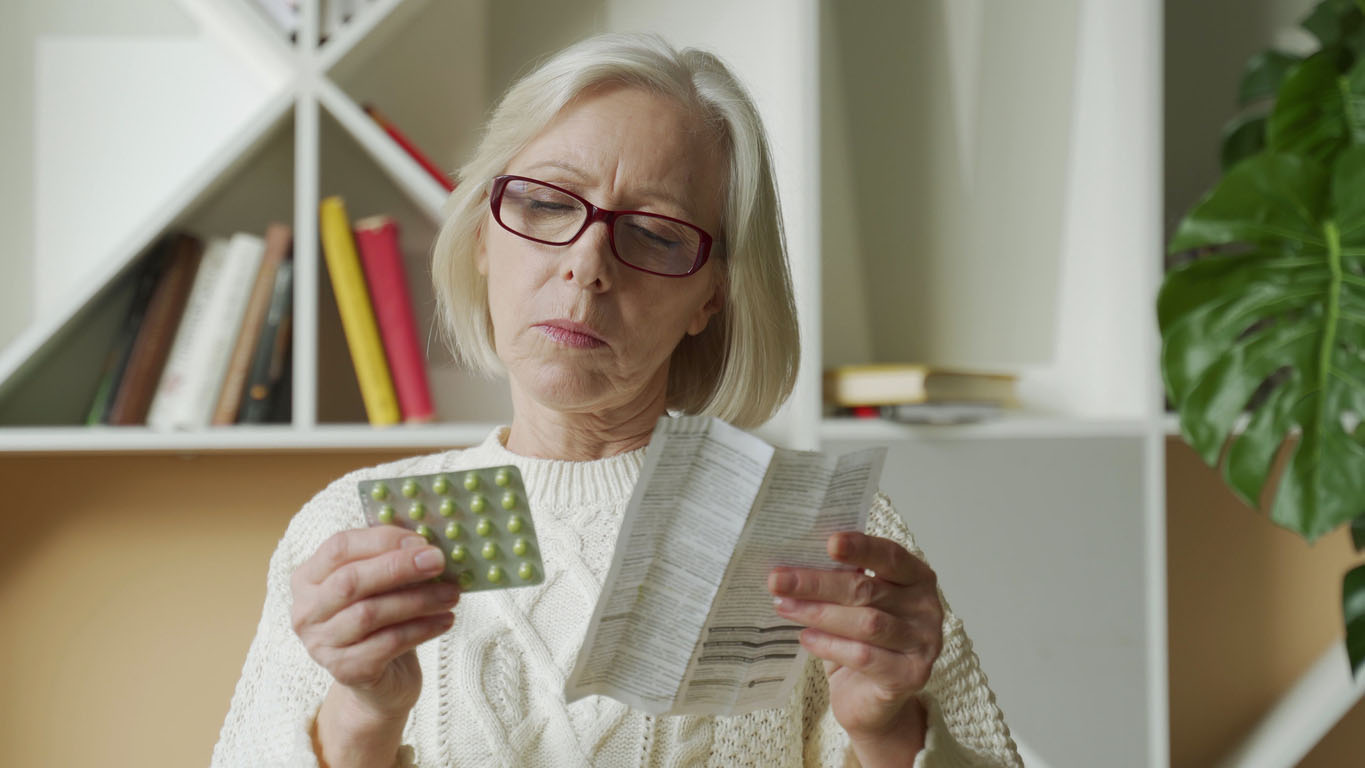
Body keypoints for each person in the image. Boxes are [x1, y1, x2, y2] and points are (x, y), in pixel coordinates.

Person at [211, 31, 1021, 768]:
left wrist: (886, 732)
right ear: (485, 234)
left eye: (657, 234)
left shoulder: (825, 538)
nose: (587, 264)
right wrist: (361, 714)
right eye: (546, 203)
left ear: (711, 296)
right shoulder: (347, 532)